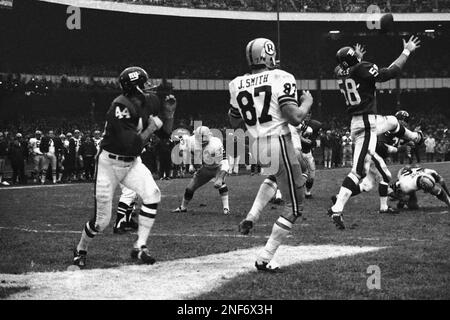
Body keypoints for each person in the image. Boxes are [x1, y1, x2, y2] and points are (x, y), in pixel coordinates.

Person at [72, 66, 176, 269]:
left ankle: (140, 246)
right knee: (101, 222)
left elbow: (164, 135)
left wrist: (169, 114)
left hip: (132, 162)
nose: (148, 87)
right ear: (134, 87)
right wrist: (151, 127)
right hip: (110, 164)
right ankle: (80, 249)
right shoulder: (120, 105)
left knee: (153, 194)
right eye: (144, 84)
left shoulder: (151, 101)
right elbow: (133, 144)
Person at [229, 38, 313, 272]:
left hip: (257, 145)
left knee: (276, 178)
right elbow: (295, 117)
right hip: (278, 141)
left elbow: (235, 121)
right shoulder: (281, 77)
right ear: (267, 55)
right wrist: (307, 103)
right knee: (294, 207)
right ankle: (265, 258)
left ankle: (253, 216)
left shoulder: (236, 83)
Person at [328, 37, 423, 230]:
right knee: (358, 172)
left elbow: (343, 68)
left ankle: (414, 137)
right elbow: (390, 72)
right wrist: (407, 51)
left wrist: (356, 60)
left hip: (358, 121)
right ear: (355, 58)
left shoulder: (340, 73)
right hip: (365, 122)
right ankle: (337, 208)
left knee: (392, 121)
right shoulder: (361, 68)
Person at [171, 126, 230, 215]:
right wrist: (191, 164)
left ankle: (226, 209)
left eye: (205, 142)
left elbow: (224, 162)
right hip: (205, 168)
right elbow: (186, 151)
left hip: (217, 167)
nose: (202, 144)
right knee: (190, 188)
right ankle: (183, 207)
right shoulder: (191, 141)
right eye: (200, 141)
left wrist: (220, 178)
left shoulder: (216, 143)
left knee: (220, 185)